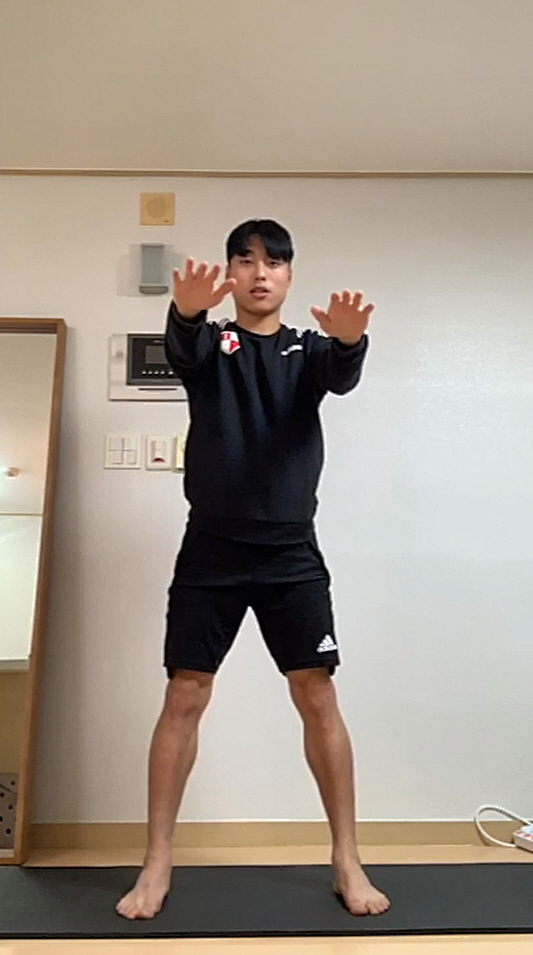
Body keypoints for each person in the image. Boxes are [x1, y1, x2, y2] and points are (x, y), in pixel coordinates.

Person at [117, 218, 390, 920]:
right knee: (184, 692)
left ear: (289, 276)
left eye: (273, 262)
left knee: (317, 693)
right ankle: (156, 860)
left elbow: (341, 376)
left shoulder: (309, 350)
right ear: (230, 274)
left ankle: (346, 857)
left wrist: (350, 341)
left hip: (290, 553)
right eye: (245, 260)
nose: (259, 272)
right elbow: (183, 346)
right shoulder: (211, 345)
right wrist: (184, 312)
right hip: (210, 548)